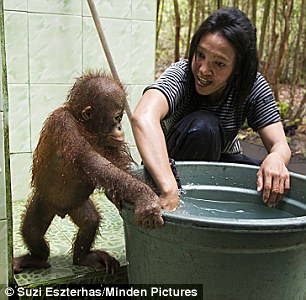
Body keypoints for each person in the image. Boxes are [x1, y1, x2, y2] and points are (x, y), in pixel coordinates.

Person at [131, 7, 291, 212]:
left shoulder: (251, 86)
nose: (204, 70)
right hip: (171, 166)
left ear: (238, 69)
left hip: (220, 160)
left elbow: (280, 144)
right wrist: (169, 188)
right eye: (200, 55)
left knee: (272, 182)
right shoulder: (181, 74)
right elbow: (143, 117)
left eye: (219, 64)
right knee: (205, 127)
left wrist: (276, 159)